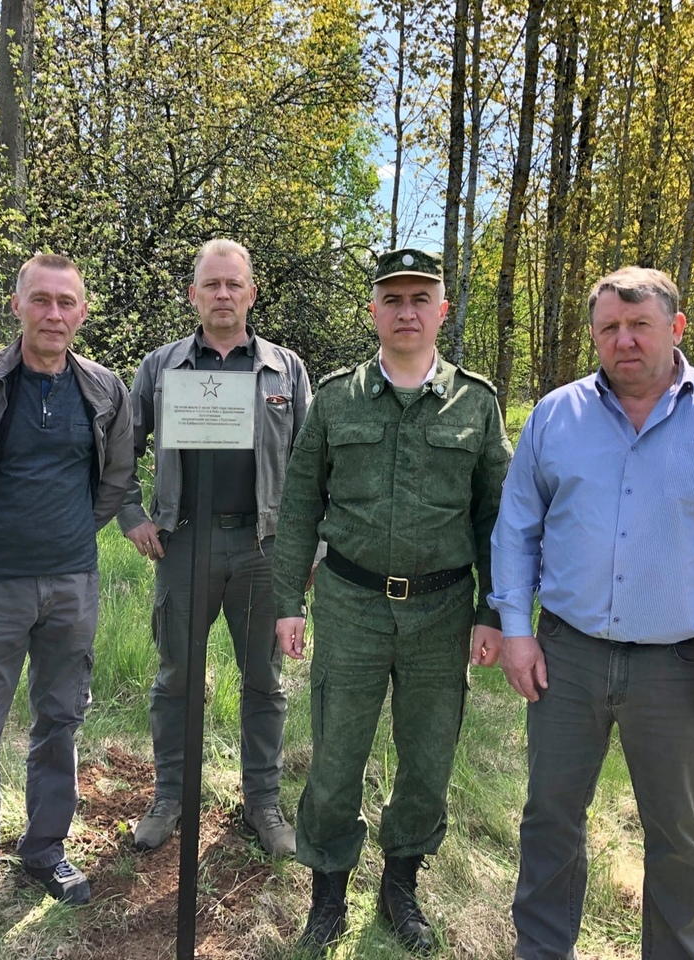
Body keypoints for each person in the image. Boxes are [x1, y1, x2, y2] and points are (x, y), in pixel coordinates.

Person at [489, 266, 694, 960]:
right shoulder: (556, 416)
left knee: (679, 835)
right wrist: (516, 631)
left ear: (676, 328)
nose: (624, 340)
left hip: (684, 665)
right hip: (567, 658)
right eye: (609, 327)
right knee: (549, 819)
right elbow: (516, 529)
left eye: (640, 325)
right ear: (595, 336)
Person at [273, 248, 512, 954]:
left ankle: (400, 883)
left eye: (420, 298)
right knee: (337, 755)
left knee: (428, 758)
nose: (406, 311)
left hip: (442, 609)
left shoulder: (477, 402)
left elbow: (497, 516)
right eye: (392, 298)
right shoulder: (337, 397)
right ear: (374, 310)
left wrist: (492, 610)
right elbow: (298, 503)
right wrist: (290, 597)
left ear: (442, 310)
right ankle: (327, 893)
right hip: (350, 602)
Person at [0, 253, 133, 923]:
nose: (54, 314)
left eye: (66, 302)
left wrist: (69, 536)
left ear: (83, 311)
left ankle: (44, 850)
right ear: (17, 306)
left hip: (72, 583)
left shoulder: (103, 389)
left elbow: (116, 480)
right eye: (41, 300)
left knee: (60, 720)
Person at [118, 238, 311, 857]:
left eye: (234, 284)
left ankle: (263, 804)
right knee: (176, 678)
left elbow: (313, 465)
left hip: (262, 549)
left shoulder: (286, 369)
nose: (223, 295)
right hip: (183, 546)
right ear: (194, 295)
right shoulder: (162, 366)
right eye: (212, 285)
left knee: (265, 681)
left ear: (252, 293)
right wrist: (130, 514)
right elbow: (119, 448)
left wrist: (311, 549)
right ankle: (170, 797)